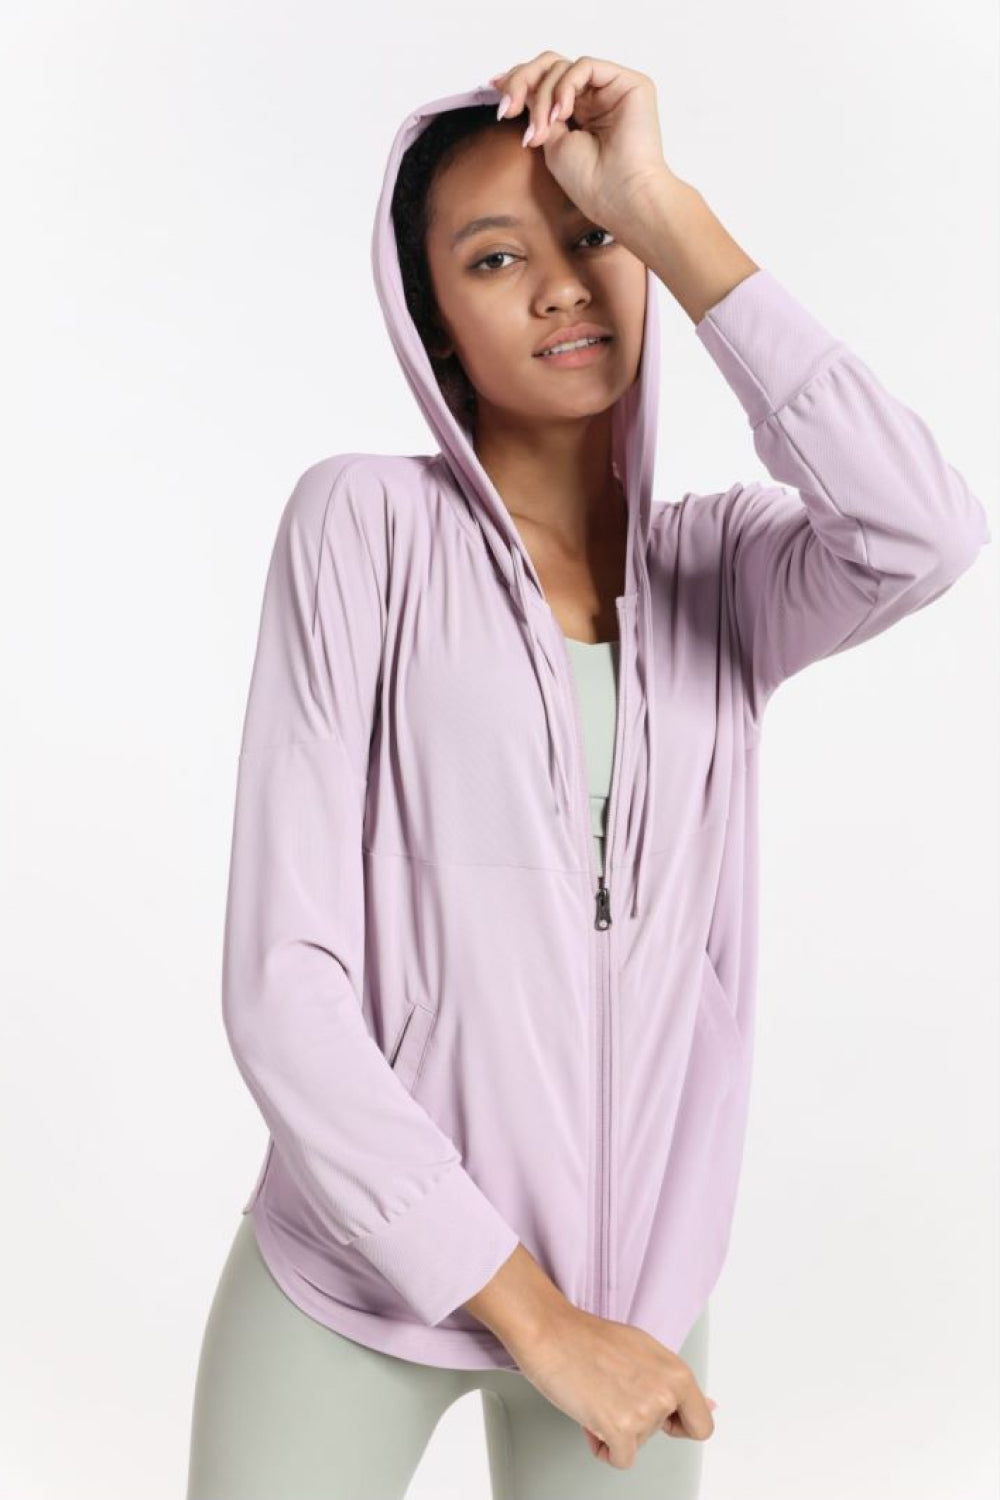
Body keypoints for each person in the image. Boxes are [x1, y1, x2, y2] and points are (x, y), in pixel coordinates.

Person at [186, 53, 991, 1500]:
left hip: (631, 1295)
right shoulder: (363, 528)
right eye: (498, 259)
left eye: (592, 239)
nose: (563, 286)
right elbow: (281, 984)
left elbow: (922, 531)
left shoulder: (724, 569)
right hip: (357, 1281)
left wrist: (665, 208)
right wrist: (533, 1320)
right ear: (434, 321)